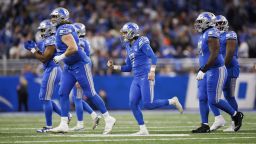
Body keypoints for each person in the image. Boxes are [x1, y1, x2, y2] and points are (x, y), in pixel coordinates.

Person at [107, 22, 183, 135]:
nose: (123, 35)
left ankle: (172, 101)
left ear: (131, 33)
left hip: (146, 75)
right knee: (132, 103)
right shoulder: (128, 46)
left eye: (125, 33)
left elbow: (154, 57)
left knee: (148, 104)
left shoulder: (141, 42)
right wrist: (114, 67)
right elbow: (128, 67)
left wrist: (152, 71)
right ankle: (143, 129)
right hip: (136, 77)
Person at [48, 7, 116, 134]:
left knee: (90, 93)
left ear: (62, 18)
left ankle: (108, 118)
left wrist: (61, 56)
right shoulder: (62, 28)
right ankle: (63, 124)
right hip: (69, 66)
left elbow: (73, 47)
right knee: (63, 92)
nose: (52, 19)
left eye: (55, 17)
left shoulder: (64, 29)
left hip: (80, 64)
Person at [192, 12, 243, 133]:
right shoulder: (204, 34)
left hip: (215, 69)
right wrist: (202, 68)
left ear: (208, 22)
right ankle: (205, 124)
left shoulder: (212, 32)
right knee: (203, 97)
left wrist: (204, 69)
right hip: (207, 68)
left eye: (201, 21)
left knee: (216, 98)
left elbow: (215, 53)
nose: (198, 24)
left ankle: (236, 115)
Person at [23, 19, 70, 133]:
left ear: (49, 29)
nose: (41, 32)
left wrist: (33, 50)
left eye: (43, 29)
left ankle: (49, 126)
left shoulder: (51, 40)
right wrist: (35, 48)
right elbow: (43, 57)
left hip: (53, 69)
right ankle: (66, 116)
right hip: (50, 69)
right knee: (44, 97)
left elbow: (44, 58)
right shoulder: (47, 40)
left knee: (45, 98)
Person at [70, 23, 101, 131]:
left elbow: (81, 59)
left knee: (78, 99)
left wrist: (79, 77)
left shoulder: (78, 42)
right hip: (83, 70)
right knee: (77, 98)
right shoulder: (85, 41)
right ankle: (94, 115)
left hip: (79, 71)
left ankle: (80, 124)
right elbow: (88, 59)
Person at [213, 15, 240, 132]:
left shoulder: (230, 34)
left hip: (229, 68)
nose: (219, 26)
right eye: (217, 23)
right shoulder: (215, 36)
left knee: (228, 96)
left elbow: (230, 53)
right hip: (222, 67)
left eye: (221, 23)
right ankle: (221, 118)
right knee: (217, 95)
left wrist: (221, 67)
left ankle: (235, 122)